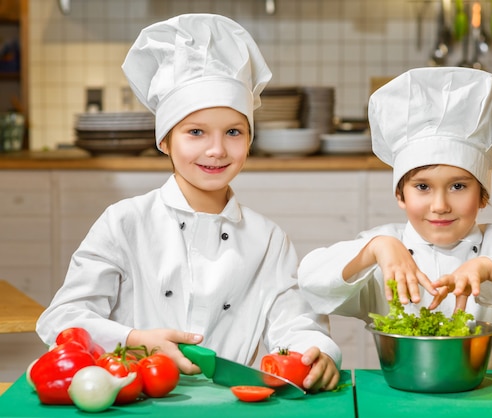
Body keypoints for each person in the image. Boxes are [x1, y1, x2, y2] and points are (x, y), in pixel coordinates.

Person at [36, 14, 341, 392]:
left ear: (249, 140)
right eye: (195, 132)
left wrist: (317, 353)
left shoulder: (268, 239)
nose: (216, 149)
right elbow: (62, 319)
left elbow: (295, 323)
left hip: (233, 403)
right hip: (133, 396)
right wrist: (134, 339)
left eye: (233, 132)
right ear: (165, 140)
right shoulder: (124, 222)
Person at [297, 67, 492, 368]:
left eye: (458, 186)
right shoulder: (384, 251)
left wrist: (490, 269)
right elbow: (310, 282)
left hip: (486, 401)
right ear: (400, 195)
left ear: (482, 194)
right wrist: (375, 249)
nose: (440, 205)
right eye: (422, 187)